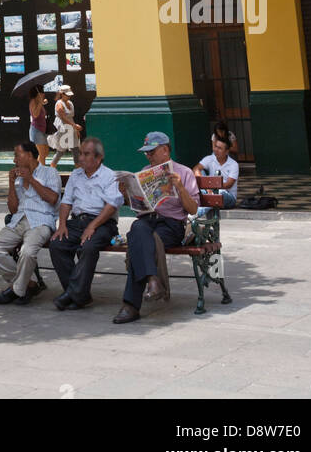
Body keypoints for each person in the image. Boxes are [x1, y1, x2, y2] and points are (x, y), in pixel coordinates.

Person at [112, 130, 199, 325]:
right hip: (148, 221)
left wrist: (181, 188)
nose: (148, 156)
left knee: (138, 239)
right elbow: (139, 210)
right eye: (147, 153)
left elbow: (193, 209)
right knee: (138, 228)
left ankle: (131, 305)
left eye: (152, 152)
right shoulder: (145, 171)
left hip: (171, 225)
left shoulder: (183, 172)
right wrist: (127, 196)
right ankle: (152, 279)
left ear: (166, 150)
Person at [49, 137, 123, 310]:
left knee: (88, 247)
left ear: (98, 158)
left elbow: (112, 206)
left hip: (103, 224)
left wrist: (92, 226)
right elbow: (66, 202)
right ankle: (78, 295)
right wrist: (62, 225)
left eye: (86, 154)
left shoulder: (108, 176)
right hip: (77, 222)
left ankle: (72, 294)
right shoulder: (76, 175)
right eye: (80, 153)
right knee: (57, 244)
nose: (80, 157)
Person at [0, 140, 62, 305]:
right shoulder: (18, 178)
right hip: (19, 220)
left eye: (16, 155)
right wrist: (11, 184)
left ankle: (16, 290)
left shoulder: (49, 173)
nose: (14, 160)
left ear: (29, 155)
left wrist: (32, 179)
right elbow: (13, 209)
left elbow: (53, 199)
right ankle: (29, 284)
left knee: (27, 252)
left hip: (41, 222)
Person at [194, 132, 239, 210]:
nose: (216, 150)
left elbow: (228, 185)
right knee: (200, 172)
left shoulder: (233, 164)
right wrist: (207, 188)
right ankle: (206, 196)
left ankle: (197, 212)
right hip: (211, 191)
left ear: (227, 151)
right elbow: (195, 169)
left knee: (216, 197)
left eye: (220, 148)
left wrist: (212, 188)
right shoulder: (210, 158)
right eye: (216, 147)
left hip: (228, 196)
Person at [46, 85, 81, 170]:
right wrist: (74, 126)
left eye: (70, 95)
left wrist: (75, 128)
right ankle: (52, 168)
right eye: (67, 95)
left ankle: (79, 170)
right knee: (61, 151)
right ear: (62, 94)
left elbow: (70, 118)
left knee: (75, 149)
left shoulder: (70, 103)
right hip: (63, 128)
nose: (69, 96)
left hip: (71, 127)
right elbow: (63, 118)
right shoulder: (59, 104)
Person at [27, 85, 50, 165]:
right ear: (38, 93)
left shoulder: (39, 101)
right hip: (36, 130)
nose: (44, 94)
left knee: (46, 152)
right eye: (42, 92)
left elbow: (43, 102)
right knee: (42, 154)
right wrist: (41, 102)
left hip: (42, 130)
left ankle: (35, 169)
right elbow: (35, 115)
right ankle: (42, 174)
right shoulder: (33, 102)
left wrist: (42, 102)